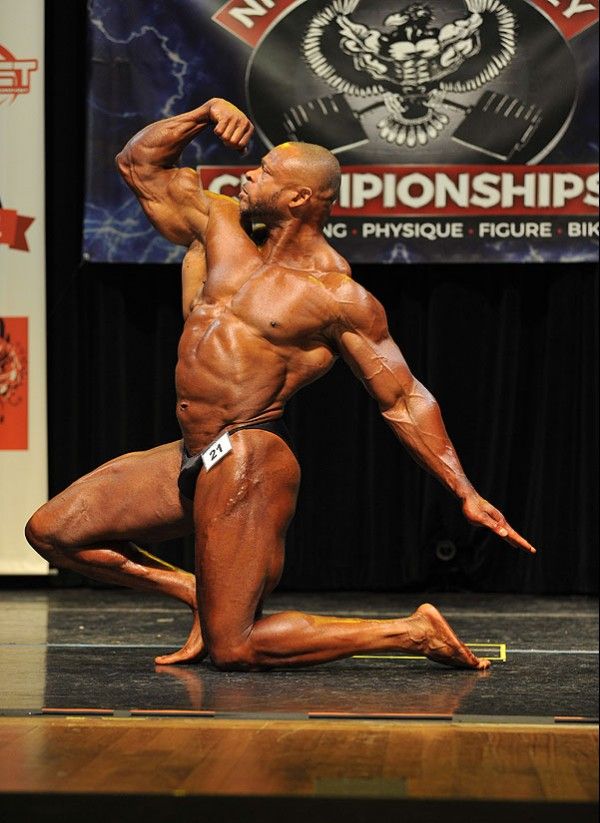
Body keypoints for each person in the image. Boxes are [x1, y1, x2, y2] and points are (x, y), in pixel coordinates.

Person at [26, 98, 535, 672]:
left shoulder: (335, 295)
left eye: (265, 171)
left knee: (235, 647)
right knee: (53, 532)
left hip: (249, 454)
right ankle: (197, 591)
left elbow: (403, 397)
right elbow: (137, 163)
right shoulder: (219, 226)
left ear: (298, 198)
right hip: (195, 451)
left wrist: (464, 490)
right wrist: (203, 114)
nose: (248, 174)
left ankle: (412, 632)